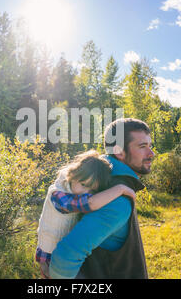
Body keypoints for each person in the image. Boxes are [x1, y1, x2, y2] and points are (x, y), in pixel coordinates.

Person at [49, 118, 155, 279]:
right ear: (119, 151)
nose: (151, 153)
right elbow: (65, 257)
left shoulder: (99, 176)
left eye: (150, 146)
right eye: (142, 146)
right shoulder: (117, 198)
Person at [36, 150, 137, 278]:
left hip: (58, 252)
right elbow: (91, 203)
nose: (86, 192)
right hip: (51, 256)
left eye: (92, 190)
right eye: (84, 185)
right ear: (72, 174)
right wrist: (120, 189)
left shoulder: (72, 186)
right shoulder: (58, 195)